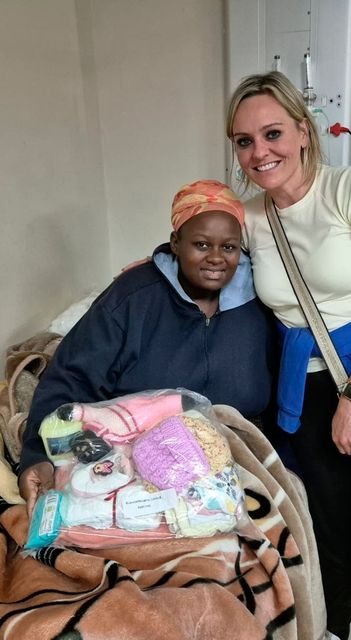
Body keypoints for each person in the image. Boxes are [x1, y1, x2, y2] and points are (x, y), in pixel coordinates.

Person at [19, 179, 275, 518]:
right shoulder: (132, 298)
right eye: (201, 244)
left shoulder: (260, 297)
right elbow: (71, 376)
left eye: (228, 247)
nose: (216, 258)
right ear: (175, 244)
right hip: (141, 459)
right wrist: (36, 456)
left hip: (240, 455)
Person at [226, 70, 351, 640]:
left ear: (304, 131)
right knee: (326, 520)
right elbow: (205, 248)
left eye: (272, 134)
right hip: (302, 387)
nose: (260, 152)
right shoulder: (251, 217)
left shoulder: (342, 191)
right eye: (245, 141)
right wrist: (153, 269)